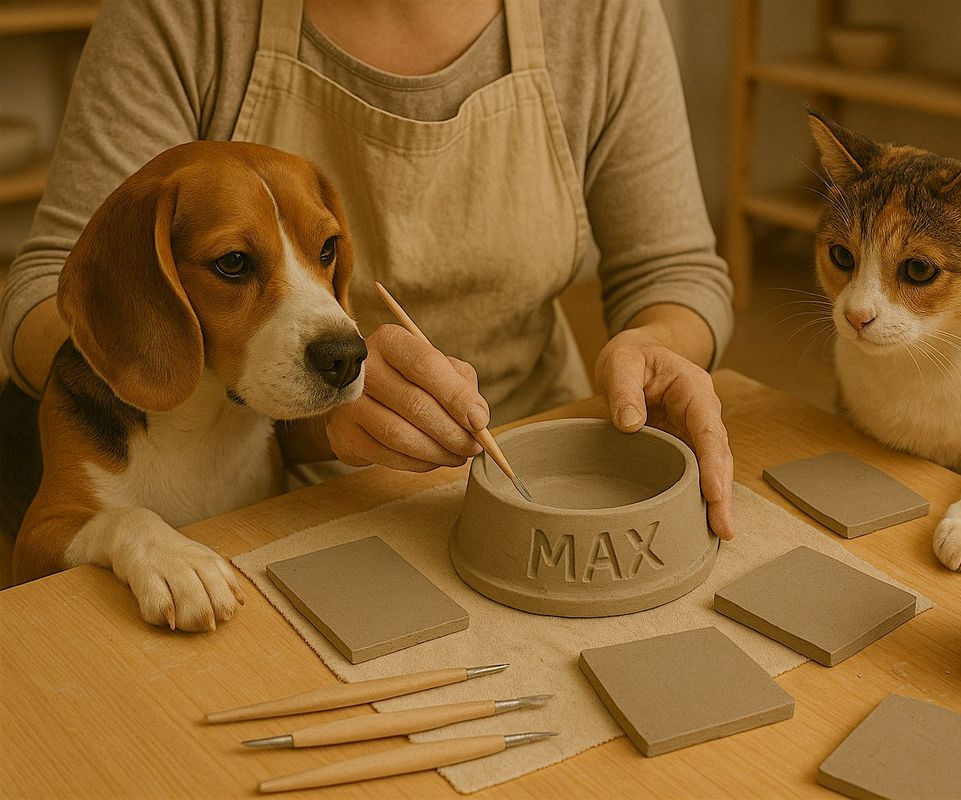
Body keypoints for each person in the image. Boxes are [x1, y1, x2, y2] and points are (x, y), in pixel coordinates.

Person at [0, 0, 736, 538]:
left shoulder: (602, 14)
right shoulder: (182, 14)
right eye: (233, 262)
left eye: (326, 254)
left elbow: (675, 271)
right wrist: (206, 383)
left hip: (535, 446)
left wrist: (658, 344)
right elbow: (44, 290)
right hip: (289, 483)